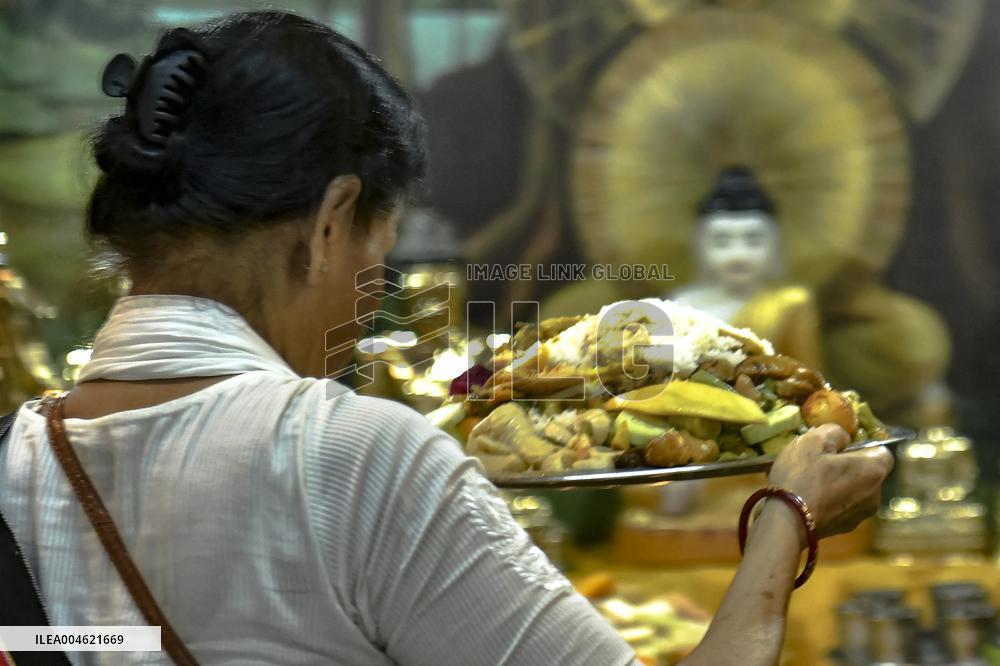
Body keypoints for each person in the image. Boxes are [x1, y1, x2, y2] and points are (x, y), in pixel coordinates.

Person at [0, 11, 893, 665]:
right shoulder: (353, 457)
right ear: (329, 223)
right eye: (375, 258)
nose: (370, 298)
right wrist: (787, 518)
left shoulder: (19, 461)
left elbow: (96, 641)